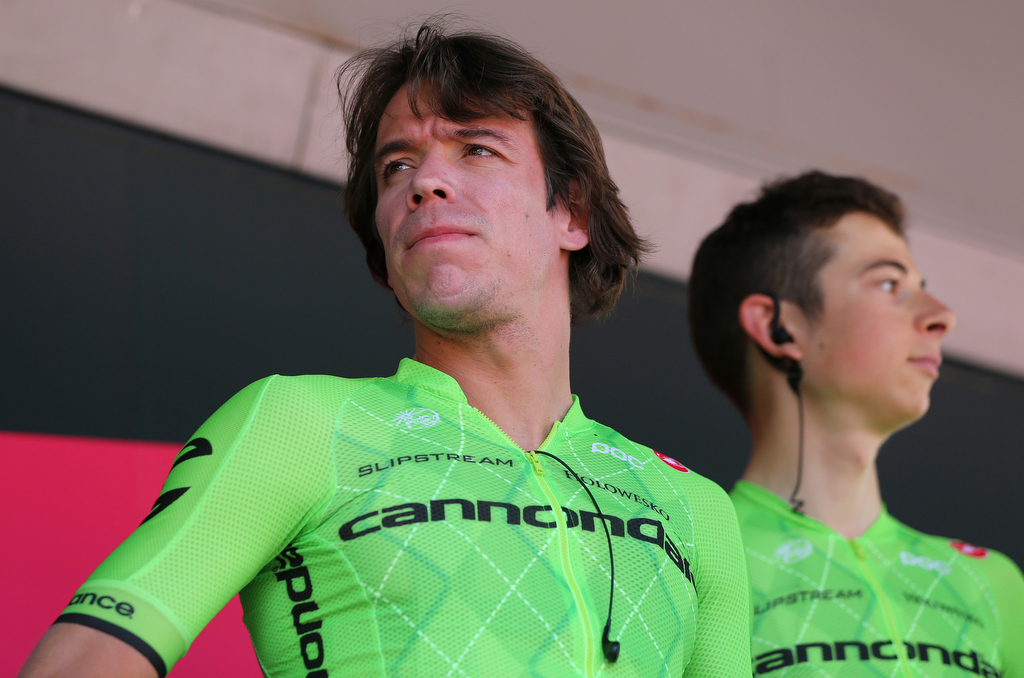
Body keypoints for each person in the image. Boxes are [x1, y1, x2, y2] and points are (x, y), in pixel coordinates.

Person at [20, 22, 751, 678]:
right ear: (383, 249)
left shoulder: (693, 507)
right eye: (396, 167)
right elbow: (83, 660)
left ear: (573, 212)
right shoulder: (299, 422)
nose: (426, 182)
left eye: (477, 149)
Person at [688, 170, 1024, 677]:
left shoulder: (990, 583)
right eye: (889, 284)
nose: (943, 316)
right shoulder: (682, 557)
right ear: (780, 328)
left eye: (922, 287)